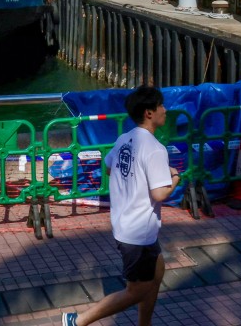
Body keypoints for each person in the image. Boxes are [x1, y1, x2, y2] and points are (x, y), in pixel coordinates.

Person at [62, 86, 180, 326]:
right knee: (137, 291)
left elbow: (108, 167)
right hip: (139, 232)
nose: (165, 110)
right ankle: (77, 321)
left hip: (126, 225)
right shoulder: (156, 149)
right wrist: (175, 178)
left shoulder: (124, 139)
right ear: (149, 112)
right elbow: (160, 193)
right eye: (161, 105)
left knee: (157, 272)